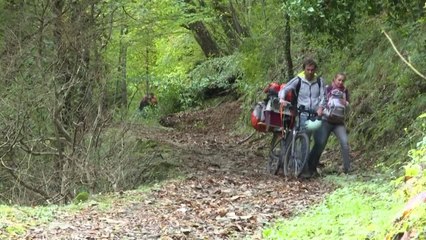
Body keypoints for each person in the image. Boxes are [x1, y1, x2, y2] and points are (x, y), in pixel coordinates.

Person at [278, 58, 326, 177]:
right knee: (305, 140)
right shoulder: (298, 80)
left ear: (315, 70)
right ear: (304, 69)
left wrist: (321, 107)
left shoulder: (319, 81)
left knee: (320, 141)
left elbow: (323, 96)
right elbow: (284, 89)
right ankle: (304, 170)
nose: (310, 72)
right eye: (307, 69)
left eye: (312, 69)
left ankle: (310, 165)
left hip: (316, 114)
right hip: (303, 113)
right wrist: (282, 99)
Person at [308, 73, 351, 174]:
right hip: (326, 120)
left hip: (339, 123)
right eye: (339, 80)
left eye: (342, 81)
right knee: (320, 143)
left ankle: (347, 169)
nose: (340, 82)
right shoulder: (327, 89)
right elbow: (320, 103)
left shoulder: (345, 91)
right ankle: (310, 166)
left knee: (345, 143)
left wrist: (345, 103)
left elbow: (348, 105)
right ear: (334, 80)